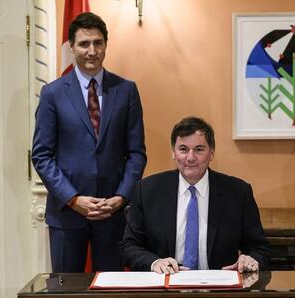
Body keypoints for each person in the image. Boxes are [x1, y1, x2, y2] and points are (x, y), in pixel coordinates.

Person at [31, 12, 147, 272]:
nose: (92, 51)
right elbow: (41, 155)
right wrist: (73, 199)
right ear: (72, 47)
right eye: (84, 44)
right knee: (65, 293)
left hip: (113, 215)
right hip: (67, 214)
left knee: (113, 293)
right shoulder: (53, 93)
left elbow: (137, 153)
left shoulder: (126, 90)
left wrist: (121, 197)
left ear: (106, 44)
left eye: (98, 43)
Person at [120, 116, 270, 274]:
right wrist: (154, 262)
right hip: (165, 288)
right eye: (183, 149)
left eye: (199, 149)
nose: (190, 158)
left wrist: (251, 259)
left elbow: (260, 248)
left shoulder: (238, 192)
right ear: (174, 153)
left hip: (219, 290)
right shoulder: (147, 190)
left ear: (211, 153)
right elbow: (128, 246)